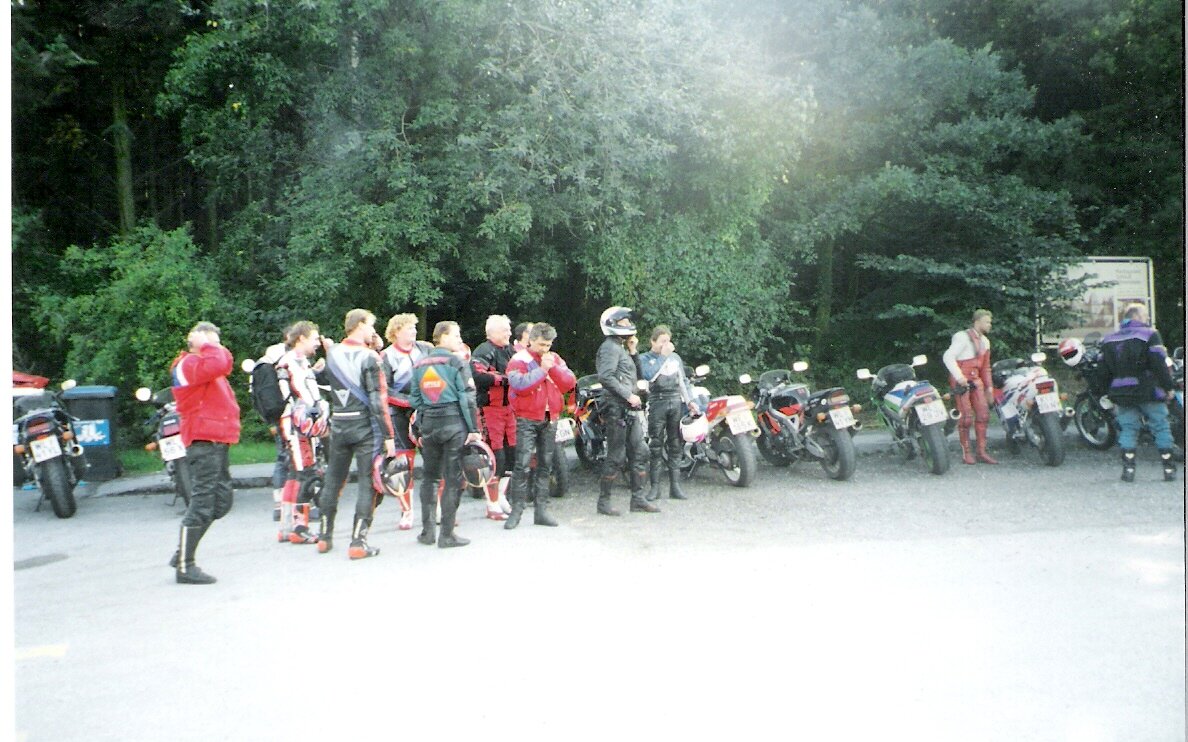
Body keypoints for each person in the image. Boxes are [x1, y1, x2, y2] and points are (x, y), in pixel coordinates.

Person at [317, 309, 397, 559]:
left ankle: (324, 536)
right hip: (365, 428)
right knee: (368, 483)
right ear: (360, 325)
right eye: (371, 325)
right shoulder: (370, 357)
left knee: (333, 480)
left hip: (339, 424)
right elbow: (378, 399)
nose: (373, 330)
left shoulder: (332, 353)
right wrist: (389, 436)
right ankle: (358, 542)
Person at [168, 322, 240, 584]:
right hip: (203, 441)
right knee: (202, 504)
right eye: (211, 342)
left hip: (216, 441)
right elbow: (220, 362)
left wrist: (211, 344)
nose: (216, 347)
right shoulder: (187, 364)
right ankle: (185, 566)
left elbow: (225, 361)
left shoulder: (206, 365)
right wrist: (207, 345)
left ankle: (183, 552)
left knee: (221, 503)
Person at [409, 321, 483, 548]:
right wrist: (474, 430)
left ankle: (427, 533)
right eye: (456, 335)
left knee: (429, 478)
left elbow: (415, 399)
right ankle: (447, 535)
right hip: (454, 424)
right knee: (453, 479)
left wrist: (425, 419)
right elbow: (467, 398)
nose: (460, 340)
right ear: (442, 337)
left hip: (429, 424)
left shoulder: (419, 364)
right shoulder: (456, 362)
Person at [504, 323, 576, 529]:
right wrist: (542, 370)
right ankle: (516, 511)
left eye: (548, 345)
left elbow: (569, 383)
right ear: (531, 340)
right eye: (542, 344)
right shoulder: (519, 360)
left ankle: (541, 511)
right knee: (522, 464)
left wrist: (551, 367)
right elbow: (519, 386)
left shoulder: (555, 358)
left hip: (550, 417)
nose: (545, 349)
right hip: (526, 418)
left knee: (545, 464)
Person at [1100, 303, 1177, 482]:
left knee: (1128, 429)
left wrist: (1107, 392)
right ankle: (1168, 469)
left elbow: (1103, 370)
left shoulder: (1109, 339)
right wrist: (1168, 387)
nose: (1147, 318)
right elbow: (1159, 364)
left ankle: (1128, 470)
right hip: (1148, 390)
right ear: (1136, 316)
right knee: (1160, 426)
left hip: (1122, 392)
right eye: (1145, 315)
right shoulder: (1150, 334)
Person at [595, 306, 659, 515]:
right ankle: (603, 502)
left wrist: (633, 351)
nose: (628, 325)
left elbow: (638, 376)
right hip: (616, 407)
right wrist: (628, 395)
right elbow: (605, 376)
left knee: (640, 452)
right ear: (613, 324)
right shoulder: (609, 347)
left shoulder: (620, 347)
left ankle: (638, 499)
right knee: (616, 455)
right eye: (623, 322)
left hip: (628, 408)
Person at [276, 321, 329, 544]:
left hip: (303, 426)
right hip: (298, 427)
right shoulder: (289, 362)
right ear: (301, 339)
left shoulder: (302, 362)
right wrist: (314, 410)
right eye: (315, 338)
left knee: (295, 474)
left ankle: (286, 527)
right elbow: (294, 395)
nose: (318, 342)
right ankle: (299, 528)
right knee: (306, 473)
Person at [379, 313, 434, 531]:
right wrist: (409, 402)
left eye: (414, 327)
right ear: (396, 331)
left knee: (434, 458)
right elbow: (385, 389)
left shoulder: (425, 349)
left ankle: (436, 509)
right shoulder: (386, 356)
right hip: (399, 413)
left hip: (426, 411)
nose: (414, 331)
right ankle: (407, 511)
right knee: (403, 463)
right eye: (409, 328)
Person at [638, 325, 698, 501]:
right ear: (653, 341)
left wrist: (690, 401)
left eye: (668, 341)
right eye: (662, 341)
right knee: (656, 444)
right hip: (657, 401)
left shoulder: (675, 358)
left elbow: (682, 381)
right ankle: (655, 487)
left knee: (675, 444)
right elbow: (649, 376)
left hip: (675, 400)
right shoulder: (645, 358)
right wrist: (663, 356)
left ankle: (675, 486)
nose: (666, 344)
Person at [942, 309, 999, 465]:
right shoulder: (962, 337)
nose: (990, 325)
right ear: (977, 321)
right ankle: (966, 452)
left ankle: (981, 452)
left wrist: (989, 388)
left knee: (983, 415)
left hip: (975, 379)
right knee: (966, 417)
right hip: (962, 379)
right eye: (987, 322)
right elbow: (948, 356)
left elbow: (985, 367)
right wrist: (959, 377)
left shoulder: (985, 341)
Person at [471, 315, 518, 482]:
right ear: (493, 332)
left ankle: (510, 485)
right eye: (506, 330)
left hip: (510, 408)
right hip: (490, 408)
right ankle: (493, 486)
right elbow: (477, 375)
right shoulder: (483, 350)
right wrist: (506, 379)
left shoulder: (510, 350)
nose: (509, 333)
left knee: (513, 446)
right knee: (495, 449)